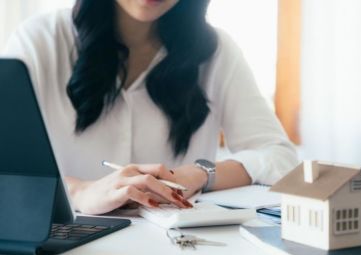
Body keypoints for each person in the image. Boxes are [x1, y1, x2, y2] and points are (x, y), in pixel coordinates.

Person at [2, 0, 298, 215]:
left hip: (179, 251)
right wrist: (79, 191)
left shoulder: (217, 51)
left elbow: (279, 156)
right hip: (67, 246)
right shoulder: (40, 40)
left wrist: (199, 174)